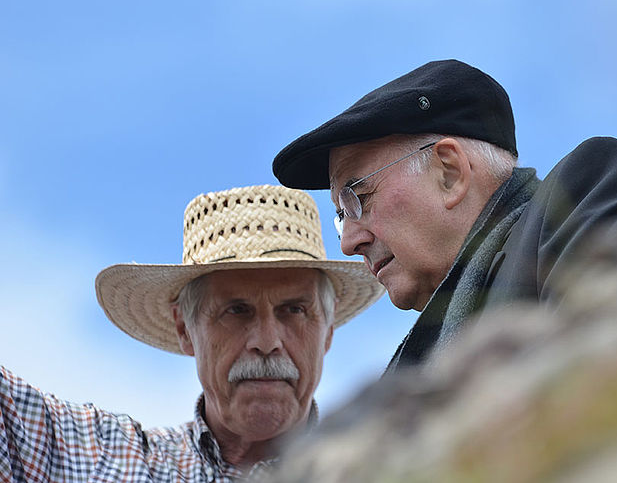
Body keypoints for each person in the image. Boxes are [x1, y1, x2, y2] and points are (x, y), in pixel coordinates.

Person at [272, 59, 617, 372]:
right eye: (341, 214)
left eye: (359, 196)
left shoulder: (585, 191)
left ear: (449, 172)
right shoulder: (412, 365)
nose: (348, 242)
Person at [0, 184, 383, 482]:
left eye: (294, 311)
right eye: (236, 311)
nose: (267, 342)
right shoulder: (101, 459)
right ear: (185, 329)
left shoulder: (390, 463)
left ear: (327, 331)